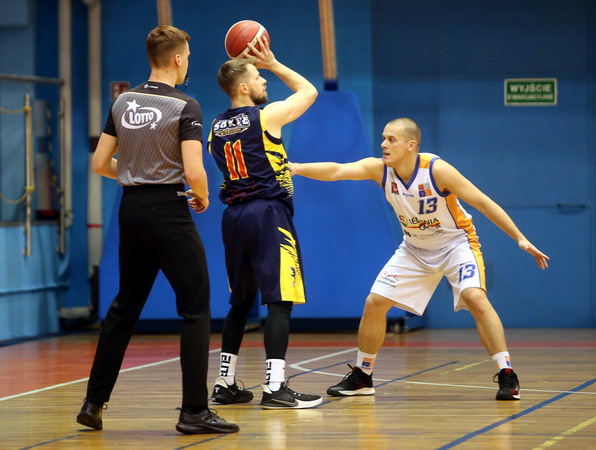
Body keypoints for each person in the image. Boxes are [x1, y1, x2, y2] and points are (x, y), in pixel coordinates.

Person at [290, 117, 550, 401]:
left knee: (475, 298)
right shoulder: (380, 169)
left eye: (391, 139)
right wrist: (297, 167)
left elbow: (483, 202)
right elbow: (337, 170)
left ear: (411, 145)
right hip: (414, 249)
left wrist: (520, 238)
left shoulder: (436, 170)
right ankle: (363, 376)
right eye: (383, 138)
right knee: (375, 303)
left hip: (456, 244)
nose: (383, 144)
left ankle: (507, 373)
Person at [76, 25, 238, 434]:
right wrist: (202, 195)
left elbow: (99, 164)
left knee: (124, 307)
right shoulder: (186, 105)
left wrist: (135, 173)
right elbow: (194, 169)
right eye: (188, 58)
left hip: (130, 210)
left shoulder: (122, 101)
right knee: (195, 308)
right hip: (169, 209)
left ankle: (93, 403)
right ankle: (194, 412)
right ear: (178, 58)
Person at [203, 36, 322, 409]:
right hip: (267, 214)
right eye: (257, 77)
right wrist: (272, 62)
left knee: (240, 302)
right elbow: (309, 91)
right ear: (243, 87)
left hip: (233, 218)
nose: (264, 80)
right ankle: (274, 388)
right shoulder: (266, 116)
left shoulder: (214, 129)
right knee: (280, 301)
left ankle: (224, 383)